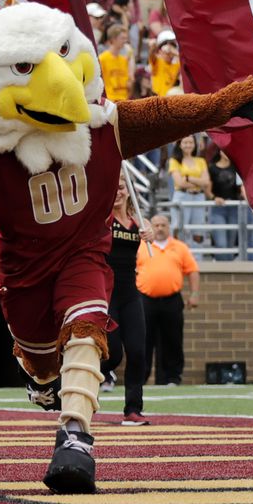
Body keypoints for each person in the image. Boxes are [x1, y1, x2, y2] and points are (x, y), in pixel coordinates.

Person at [101, 175, 151, 425]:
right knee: (112, 355)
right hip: (107, 291)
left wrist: (148, 233)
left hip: (131, 293)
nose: (118, 192)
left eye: (121, 187)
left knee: (138, 351)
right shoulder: (102, 219)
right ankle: (82, 381)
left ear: (129, 191)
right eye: (114, 188)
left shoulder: (138, 221)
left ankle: (133, 409)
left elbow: (149, 232)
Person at [136, 214, 200, 385]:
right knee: (143, 340)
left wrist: (194, 294)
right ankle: (140, 378)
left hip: (172, 300)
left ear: (169, 227)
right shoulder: (141, 246)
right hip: (145, 300)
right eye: (156, 225)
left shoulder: (179, 247)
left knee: (173, 340)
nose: (159, 228)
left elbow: (192, 270)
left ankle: (172, 378)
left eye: (163, 225)